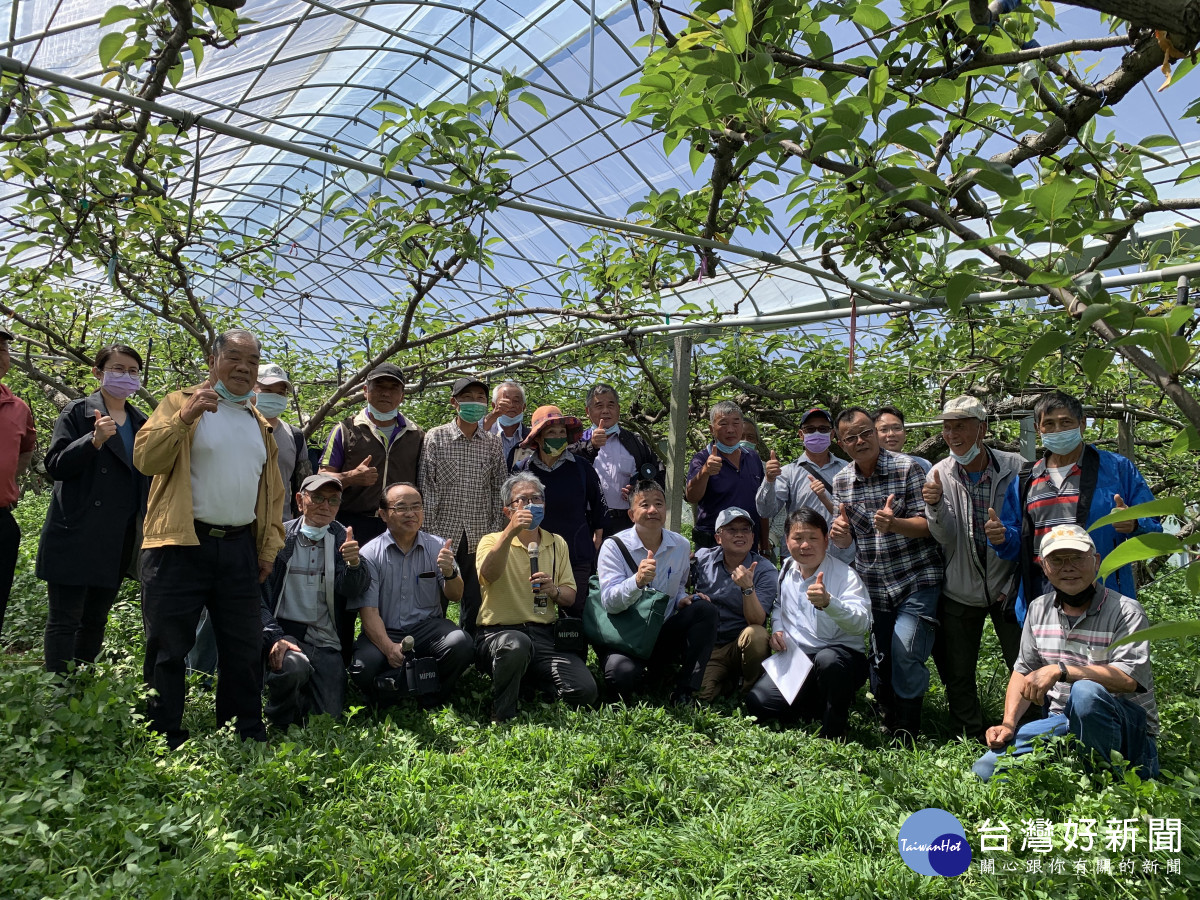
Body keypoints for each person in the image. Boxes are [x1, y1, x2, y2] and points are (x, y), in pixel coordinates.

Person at [134, 328, 286, 747]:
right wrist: (185, 419)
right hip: (180, 544)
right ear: (213, 360)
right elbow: (146, 459)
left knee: (243, 644)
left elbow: (273, 494)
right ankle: (164, 734)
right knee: (168, 644)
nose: (244, 367)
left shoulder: (258, 422)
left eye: (252, 361)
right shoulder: (179, 403)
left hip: (237, 546)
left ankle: (243, 731)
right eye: (235, 357)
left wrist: (267, 547)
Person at [972, 524, 1159, 782]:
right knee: (986, 771)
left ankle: (1106, 781)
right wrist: (1008, 724)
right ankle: (1073, 763)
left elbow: (1129, 679)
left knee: (1085, 692)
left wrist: (1061, 671)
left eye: (1077, 558)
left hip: (1127, 729)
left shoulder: (1126, 611)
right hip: (1063, 722)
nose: (1067, 567)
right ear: (1044, 567)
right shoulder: (1038, 609)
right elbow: (1024, 670)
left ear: (1096, 561)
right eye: (1057, 560)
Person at [990, 390, 1161, 620]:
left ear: (1082, 424)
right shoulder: (1026, 480)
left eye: (1065, 422)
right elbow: (1016, 545)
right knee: (1047, 657)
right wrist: (1000, 537)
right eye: (1048, 424)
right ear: (1038, 429)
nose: (1057, 430)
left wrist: (1135, 523)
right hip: (1043, 595)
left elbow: (1155, 529)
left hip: (1104, 591)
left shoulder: (1117, 469)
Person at [830, 406, 942, 743]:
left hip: (915, 577)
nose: (861, 440)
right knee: (881, 657)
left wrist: (895, 524)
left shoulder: (908, 468)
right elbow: (850, 543)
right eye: (852, 437)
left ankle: (908, 731)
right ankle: (889, 718)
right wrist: (842, 535)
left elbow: (929, 527)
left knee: (905, 650)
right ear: (841, 443)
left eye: (866, 432)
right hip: (874, 584)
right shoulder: (841, 481)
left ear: (877, 433)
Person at [37, 344, 150, 673]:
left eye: (132, 371)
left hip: (118, 536)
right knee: (64, 619)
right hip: (76, 531)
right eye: (117, 369)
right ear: (97, 372)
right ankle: (57, 690)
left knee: (95, 619)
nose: (126, 376)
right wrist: (93, 440)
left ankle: (81, 685)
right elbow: (55, 465)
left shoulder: (142, 422)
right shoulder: (79, 412)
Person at [922, 396, 1024, 741]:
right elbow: (944, 536)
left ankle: (1028, 730)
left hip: (1008, 585)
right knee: (958, 670)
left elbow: (1030, 525)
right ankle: (968, 732)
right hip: (960, 587)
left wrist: (1005, 536)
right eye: (947, 427)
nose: (952, 434)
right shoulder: (939, 472)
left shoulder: (1017, 467)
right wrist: (934, 506)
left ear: (982, 428)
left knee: (1022, 664)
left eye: (961, 425)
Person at [475, 472, 598, 722]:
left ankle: (526, 681)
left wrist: (553, 590)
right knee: (516, 645)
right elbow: (488, 574)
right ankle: (503, 712)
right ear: (507, 510)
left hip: (544, 636)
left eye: (536, 498)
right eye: (522, 500)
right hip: (500, 635)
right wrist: (510, 532)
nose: (531, 504)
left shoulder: (557, 543)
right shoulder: (491, 541)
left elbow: (570, 596)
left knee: (585, 690)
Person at [746, 508, 871, 739]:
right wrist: (779, 629)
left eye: (813, 538)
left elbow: (861, 624)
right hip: (798, 660)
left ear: (826, 540)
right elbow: (779, 607)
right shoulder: (786, 570)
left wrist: (828, 603)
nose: (805, 545)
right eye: (798, 538)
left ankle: (835, 728)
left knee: (828, 660)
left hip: (841, 660)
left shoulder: (846, 576)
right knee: (759, 703)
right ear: (787, 541)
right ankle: (813, 703)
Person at [348, 482, 474, 708]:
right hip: (385, 629)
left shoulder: (437, 547)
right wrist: (388, 647)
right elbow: (369, 612)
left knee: (460, 643)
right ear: (383, 514)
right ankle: (413, 685)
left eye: (416, 506)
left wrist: (450, 572)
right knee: (362, 667)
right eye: (401, 507)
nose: (410, 513)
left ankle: (420, 692)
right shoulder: (370, 554)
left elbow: (455, 596)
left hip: (427, 629)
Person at [259, 474, 369, 727]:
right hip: (286, 635)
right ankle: (279, 719)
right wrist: (274, 637)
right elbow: (258, 597)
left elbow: (353, 590)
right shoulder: (279, 538)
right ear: (300, 500)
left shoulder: (343, 538)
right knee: (292, 668)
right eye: (317, 498)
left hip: (326, 640)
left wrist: (354, 564)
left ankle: (305, 694)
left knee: (328, 717)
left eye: (333, 500)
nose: (325, 506)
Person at [595, 480, 719, 704]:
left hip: (662, 631)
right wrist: (637, 581)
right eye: (644, 505)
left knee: (705, 610)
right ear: (631, 514)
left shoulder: (680, 545)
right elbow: (610, 602)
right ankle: (646, 674)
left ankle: (685, 691)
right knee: (620, 676)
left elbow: (679, 585)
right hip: (628, 635)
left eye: (659, 504)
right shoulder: (613, 546)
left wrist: (682, 599)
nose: (653, 510)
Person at [418, 376, 506, 637]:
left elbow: (497, 490)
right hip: (443, 532)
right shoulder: (435, 438)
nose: (475, 403)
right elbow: (428, 488)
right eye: (468, 398)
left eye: (480, 399)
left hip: (479, 532)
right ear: (454, 402)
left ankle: (473, 646)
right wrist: (430, 535)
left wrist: (494, 533)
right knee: (437, 594)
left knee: (475, 596)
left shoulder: (492, 444)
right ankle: (437, 644)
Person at [511, 405, 606, 614]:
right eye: (551, 432)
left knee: (574, 617)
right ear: (538, 437)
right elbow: (513, 508)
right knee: (536, 614)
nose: (558, 436)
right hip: (533, 555)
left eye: (562, 432)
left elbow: (599, 504)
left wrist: (597, 535)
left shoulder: (581, 467)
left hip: (576, 554)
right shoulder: (523, 469)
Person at [320, 362, 423, 544]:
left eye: (393, 388)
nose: (385, 393)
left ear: (402, 396)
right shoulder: (345, 430)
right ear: (366, 391)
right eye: (379, 386)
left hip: (399, 525)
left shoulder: (416, 435)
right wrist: (351, 477)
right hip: (351, 523)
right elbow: (321, 479)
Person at [693, 507, 777, 701]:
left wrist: (748, 589)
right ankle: (729, 680)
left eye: (745, 529)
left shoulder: (765, 570)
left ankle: (750, 690)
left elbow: (757, 619)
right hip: (711, 646)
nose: (740, 534)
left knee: (756, 635)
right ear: (718, 537)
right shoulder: (702, 559)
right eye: (731, 529)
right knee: (701, 696)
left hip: (741, 645)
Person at [756, 407, 851, 563]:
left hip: (840, 556)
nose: (817, 433)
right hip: (801, 558)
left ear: (832, 434)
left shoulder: (847, 469)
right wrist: (769, 481)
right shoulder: (788, 473)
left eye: (823, 429)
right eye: (810, 429)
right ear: (801, 434)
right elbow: (765, 511)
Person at [573, 383, 665, 538]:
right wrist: (591, 446)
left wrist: (638, 489)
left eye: (611, 405)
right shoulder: (576, 440)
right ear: (588, 411)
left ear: (618, 409)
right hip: (586, 522)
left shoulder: (636, 442)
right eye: (599, 405)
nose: (605, 411)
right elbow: (568, 471)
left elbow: (657, 476)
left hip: (626, 522)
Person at [686, 401, 765, 550]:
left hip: (747, 548)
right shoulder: (702, 459)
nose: (730, 430)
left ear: (742, 426)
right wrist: (705, 472)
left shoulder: (753, 458)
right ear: (711, 429)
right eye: (723, 424)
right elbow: (691, 497)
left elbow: (762, 505)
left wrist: (765, 545)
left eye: (736, 423)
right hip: (712, 549)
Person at [0, 323, 35, 639]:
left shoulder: (18, 407)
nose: (0, 355)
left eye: (3, 349)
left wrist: (9, 483)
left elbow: (26, 452)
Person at [254, 364, 312, 521]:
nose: (275, 396)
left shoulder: (295, 436)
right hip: (240, 528)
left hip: (281, 526)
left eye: (280, 393)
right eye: (267, 390)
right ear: (251, 389)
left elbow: (304, 486)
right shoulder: (238, 429)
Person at [482, 380, 529, 471]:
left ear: (524, 407)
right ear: (493, 406)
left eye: (516, 401)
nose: (511, 405)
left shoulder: (531, 437)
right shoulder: (484, 432)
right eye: (505, 401)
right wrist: (494, 414)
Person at [874, 406, 932, 475]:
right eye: (884, 430)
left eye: (897, 428)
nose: (891, 434)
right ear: (873, 434)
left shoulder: (923, 465)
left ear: (905, 433)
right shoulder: (867, 468)